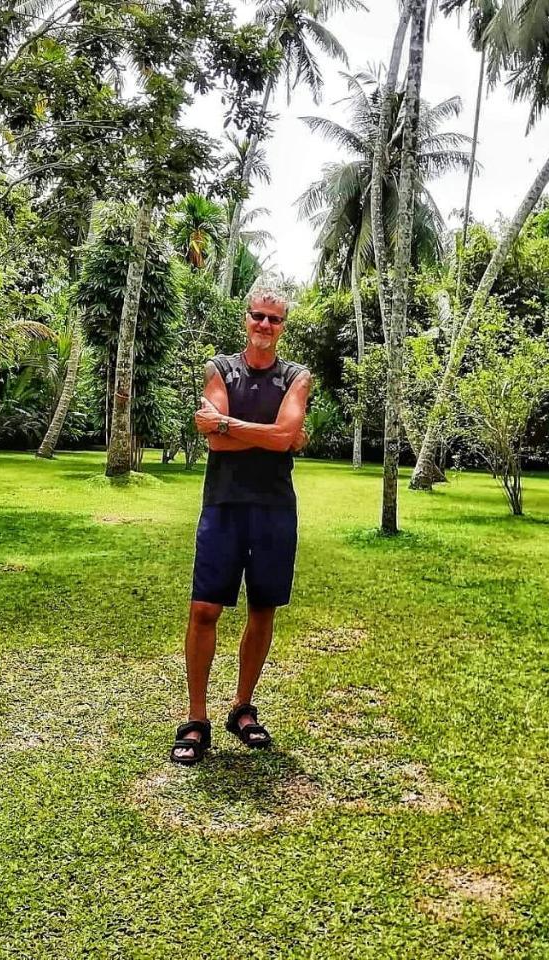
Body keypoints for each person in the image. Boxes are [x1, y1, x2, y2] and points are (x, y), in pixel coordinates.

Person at [170, 288, 312, 765]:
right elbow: (217, 445)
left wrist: (228, 425)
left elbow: (284, 435)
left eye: (274, 319)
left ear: (283, 326)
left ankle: (242, 707)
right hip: (224, 505)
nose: (265, 325)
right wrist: (272, 436)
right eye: (258, 316)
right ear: (245, 320)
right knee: (204, 608)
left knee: (263, 608)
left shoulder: (296, 376)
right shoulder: (220, 369)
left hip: (273, 508)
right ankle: (196, 719)